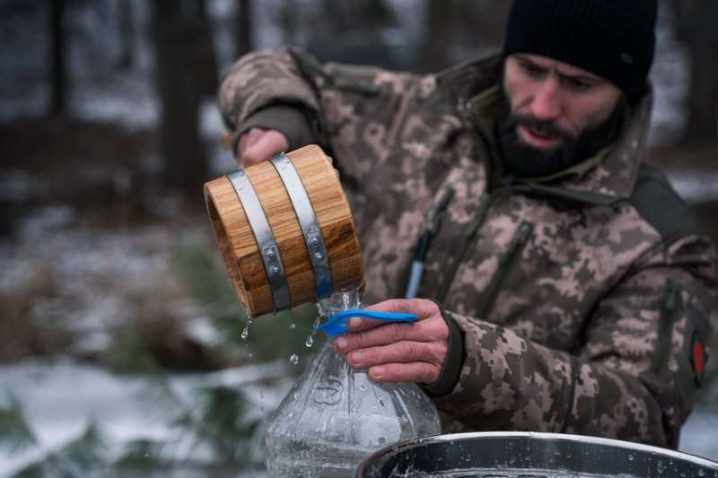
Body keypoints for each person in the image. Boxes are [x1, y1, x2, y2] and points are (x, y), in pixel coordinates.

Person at [218, 0, 716, 448]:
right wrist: (276, 119)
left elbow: (646, 420)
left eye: (579, 84)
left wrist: (467, 361)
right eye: (530, 68)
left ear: (625, 90)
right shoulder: (420, 118)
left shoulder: (658, 241)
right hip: (358, 453)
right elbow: (277, 67)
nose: (542, 105)